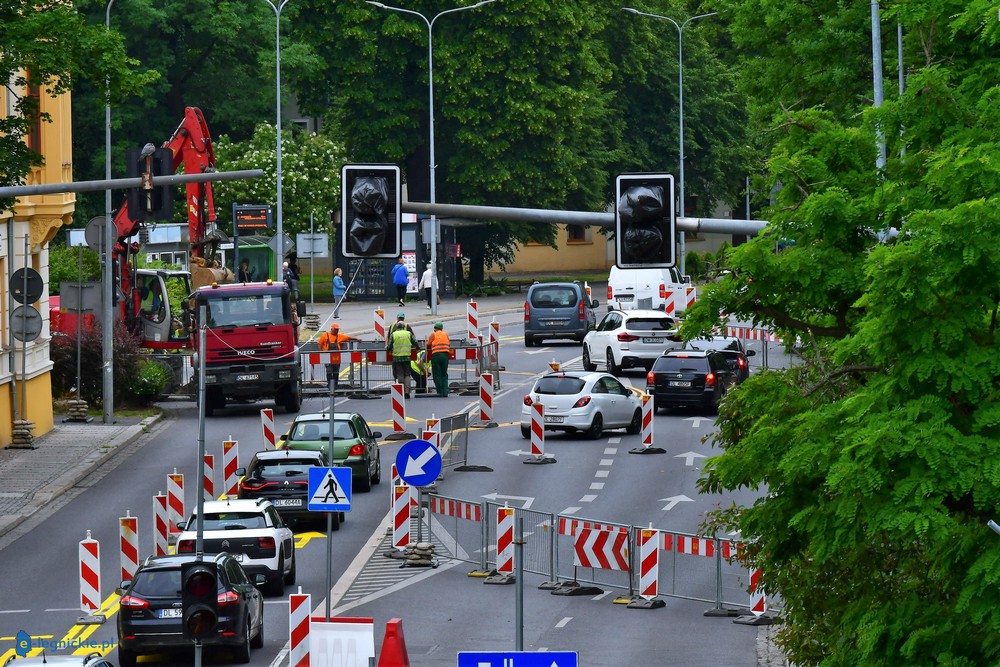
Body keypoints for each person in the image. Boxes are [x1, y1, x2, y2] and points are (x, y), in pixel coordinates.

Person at [317, 323, 356, 392]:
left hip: (336, 357)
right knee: (329, 371)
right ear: (331, 329)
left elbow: (348, 338)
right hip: (327, 356)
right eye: (335, 329)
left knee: (336, 371)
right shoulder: (325, 335)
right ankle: (329, 385)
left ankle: (335, 385)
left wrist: (357, 339)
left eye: (337, 330)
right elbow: (320, 343)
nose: (337, 331)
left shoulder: (339, 336)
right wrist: (322, 353)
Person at [386, 312, 417, 397]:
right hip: (407, 356)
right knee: (407, 374)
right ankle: (407, 391)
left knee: (399, 374)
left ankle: (402, 391)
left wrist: (387, 349)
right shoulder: (408, 333)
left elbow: (389, 344)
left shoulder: (394, 334)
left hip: (397, 357)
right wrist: (417, 347)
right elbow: (414, 340)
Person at [426, 321, 451, 397]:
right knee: (444, 374)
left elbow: (428, 344)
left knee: (437, 374)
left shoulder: (433, 334)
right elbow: (449, 343)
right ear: (442, 328)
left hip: (436, 355)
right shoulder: (445, 334)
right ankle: (445, 392)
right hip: (445, 355)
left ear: (435, 328)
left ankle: (440, 391)